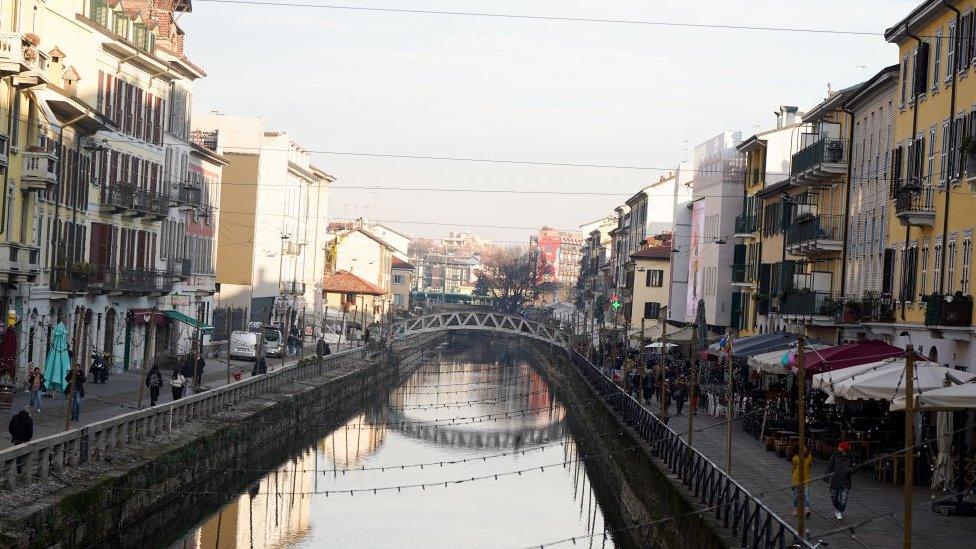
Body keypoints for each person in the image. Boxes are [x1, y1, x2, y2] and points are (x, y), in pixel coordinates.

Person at [825, 441, 856, 520]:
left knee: (843, 499)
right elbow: (829, 465)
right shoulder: (835, 455)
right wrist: (827, 476)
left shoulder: (851, 457)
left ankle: (839, 511)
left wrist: (850, 470)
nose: (838, 448)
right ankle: (837, 507)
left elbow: (855, 468)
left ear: (844, 448)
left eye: (840, 447)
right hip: (835, 480)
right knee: (834, 497)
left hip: (845, 481)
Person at [790, 446, 813, 517]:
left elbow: (810, 467)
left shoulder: (809, 457)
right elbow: (793, 469)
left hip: (806, 479)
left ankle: (807, 509)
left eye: (805, 449)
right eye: (803, 449)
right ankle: (795, 509)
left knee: (806, 495)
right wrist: (793, 482)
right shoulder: (795, 458)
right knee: (795, 496)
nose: (805, 450)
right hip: (796, 480)